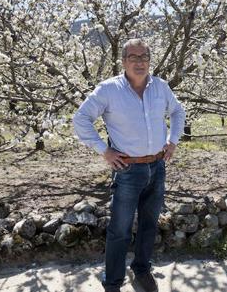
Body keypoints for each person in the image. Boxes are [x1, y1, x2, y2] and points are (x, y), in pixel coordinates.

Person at [73, 38, 186, 292]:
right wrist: (104, 150)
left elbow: (178, 111)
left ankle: (141, 270)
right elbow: (81, 119)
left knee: (149, 223)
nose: (139, 62)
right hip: (127, 169)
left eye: (144, 57)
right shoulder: (108, 90)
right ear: (123, 61)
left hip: (157, 166)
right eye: (133, 57)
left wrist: (173, 140)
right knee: (120, 229)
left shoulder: (160, 87)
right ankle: (113, 282)